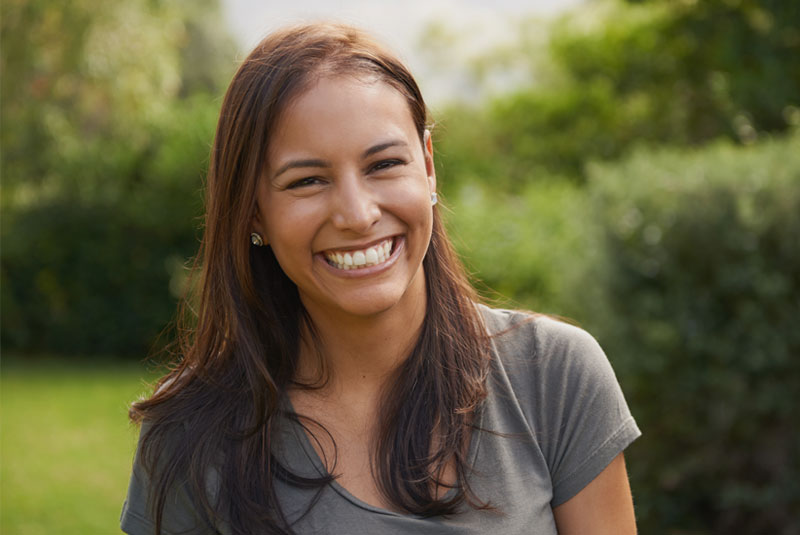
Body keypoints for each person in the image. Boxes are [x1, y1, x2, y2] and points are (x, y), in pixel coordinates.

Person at [121, 22, 640, 535]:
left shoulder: (555, 376)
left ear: (429, 167)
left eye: (384, 164)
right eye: (307, 180)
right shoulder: (189, 435)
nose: (357, 213)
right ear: (253, 211)